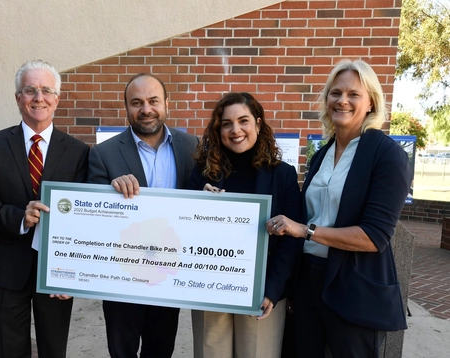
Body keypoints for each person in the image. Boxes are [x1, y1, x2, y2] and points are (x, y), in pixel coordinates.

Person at [267, 59, 411, 357]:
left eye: (353, 94)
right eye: (335, 93)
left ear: (371, 102)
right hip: (309, 282)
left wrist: (305, 231)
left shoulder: (387, 155)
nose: (342, 100)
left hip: (354, 284)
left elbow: (375, 237)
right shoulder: (322, 154)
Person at [0, 60, 89, 358]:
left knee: (53, 349)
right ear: (17, 98)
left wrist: (73, 272)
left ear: (57, 98)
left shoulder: (78, 152)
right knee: (9, 350)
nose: (39, 97)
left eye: (46, 90)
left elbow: (84, 217)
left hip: (56, 269)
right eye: (30, 90)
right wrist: (19, 218)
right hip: (7, 269)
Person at [88, 73, 199, 358]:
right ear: (126, 107)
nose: (146, 109)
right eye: (136, 102)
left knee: (160, 349)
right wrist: (110, 192)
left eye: (153, 101)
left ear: (166, 104)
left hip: (168, 273)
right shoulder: (104, 154)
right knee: (122, 350)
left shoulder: (192, 147)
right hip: (122, 274)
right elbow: (92, 217)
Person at [188, 92, 302, 357]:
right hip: (210, 288)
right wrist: (198, 205)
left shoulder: (282, 174)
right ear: (218, 130)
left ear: (258, 124)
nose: (235, 130)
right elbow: (184, 230)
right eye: (226, 123)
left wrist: (272, 291)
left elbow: (290, 242)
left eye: (243, 121)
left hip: (262, 292)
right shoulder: (203, 172)